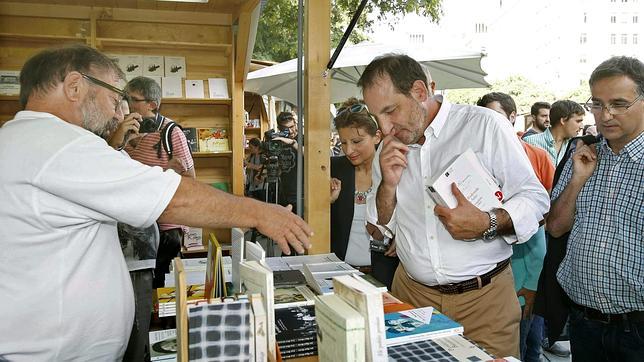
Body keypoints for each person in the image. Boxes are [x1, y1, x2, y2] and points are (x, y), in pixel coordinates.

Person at [0, 44, 312, 361]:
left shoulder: (28, 139)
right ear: (75, 87)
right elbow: (175, 198)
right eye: (114, 98)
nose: (118, 112)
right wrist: (260, 213)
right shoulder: (58, 144)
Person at [359, 54, 550, 358]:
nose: (384, 127)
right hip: (411, 297)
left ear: (420, 92)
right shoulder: (387, 148)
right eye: (375, 117)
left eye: (391, 111)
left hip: (485, 303)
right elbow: (379, 230)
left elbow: (536, 200)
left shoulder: (485, 126)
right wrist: (388, 186)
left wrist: (487, 222)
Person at [547, 55, 644, 362]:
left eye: (619, 103)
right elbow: (556, 227)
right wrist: (577, 181)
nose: (607, 114)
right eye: (597, 104)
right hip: (584, 323)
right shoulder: (584, 155)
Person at [477, 92, 554, 362]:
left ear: (512, 118)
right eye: (483, 120)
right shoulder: (474, 160)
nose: (490, 126)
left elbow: (539, 224)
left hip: (522, 282)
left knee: (526, 347)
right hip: (489, 285)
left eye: (495, 118)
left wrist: (533, 283)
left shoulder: (537, 157)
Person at [111, 76, 197, 288]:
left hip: (165, 224)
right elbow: (108, 169)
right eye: (125, 99)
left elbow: (191, 179)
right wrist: (119, 138)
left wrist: (165, 171)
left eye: (132, 99)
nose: (127, 104)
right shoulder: (121, 129)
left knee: (160, 284)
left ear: (152, 104)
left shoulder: (171, 133)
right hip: (134, 221)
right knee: (133, 283)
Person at [329, 97, 399, 289]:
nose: (348, 150)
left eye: (357, 141)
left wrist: (402, 236)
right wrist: (326, 202)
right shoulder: (331, 169)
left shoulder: (395, 170)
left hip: (386, 276)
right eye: (343, 143)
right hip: (338, 275)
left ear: (377, 136)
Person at [524, 100, 585, 166]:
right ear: (563, 120)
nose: (582, 126)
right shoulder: (530, 142)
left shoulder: (575, 147)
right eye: (578, 121)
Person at [272, 111, 300, 212]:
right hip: (283, 192)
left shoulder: (303, 139)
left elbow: (311, 156)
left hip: (301, 193)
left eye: (292, 126)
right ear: (280, 129)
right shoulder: (279, 142)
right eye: (286, 129)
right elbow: (281, 166)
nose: (291, 131)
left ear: (296, 124)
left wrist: (293, 143)